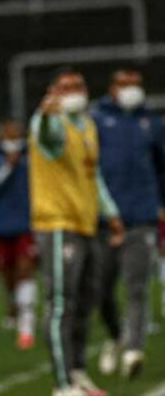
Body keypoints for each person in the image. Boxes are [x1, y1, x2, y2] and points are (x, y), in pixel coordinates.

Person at [29, 69, 124, 396]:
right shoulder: (50, 121)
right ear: (52, 91)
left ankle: (78, 371)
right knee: (60, 305)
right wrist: (45, 115)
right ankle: (62, 383)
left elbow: (91, 174)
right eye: (65, 87)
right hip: (57, 224)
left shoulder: (87, 126)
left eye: (78, 86)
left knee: (86, 302)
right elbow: (48, 137)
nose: (73, 92)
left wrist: (110, 212)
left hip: (86, 223)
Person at [91, 69, 165, 378]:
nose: (132, 89)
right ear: (112, 88)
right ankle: (117, 336)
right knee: (101, 290)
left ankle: (134, 349)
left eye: (136, 84)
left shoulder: (152, 123)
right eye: (125, 84)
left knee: (137, 287)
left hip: (142, 218)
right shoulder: (96, 121)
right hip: (104, 221)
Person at [0, 119, 37, 350]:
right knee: (7, 273)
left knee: (25, 269)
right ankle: (13, 305)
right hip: (2, 226)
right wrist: (7, 167)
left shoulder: (29, 163)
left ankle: (27, 324)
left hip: (25, 225)